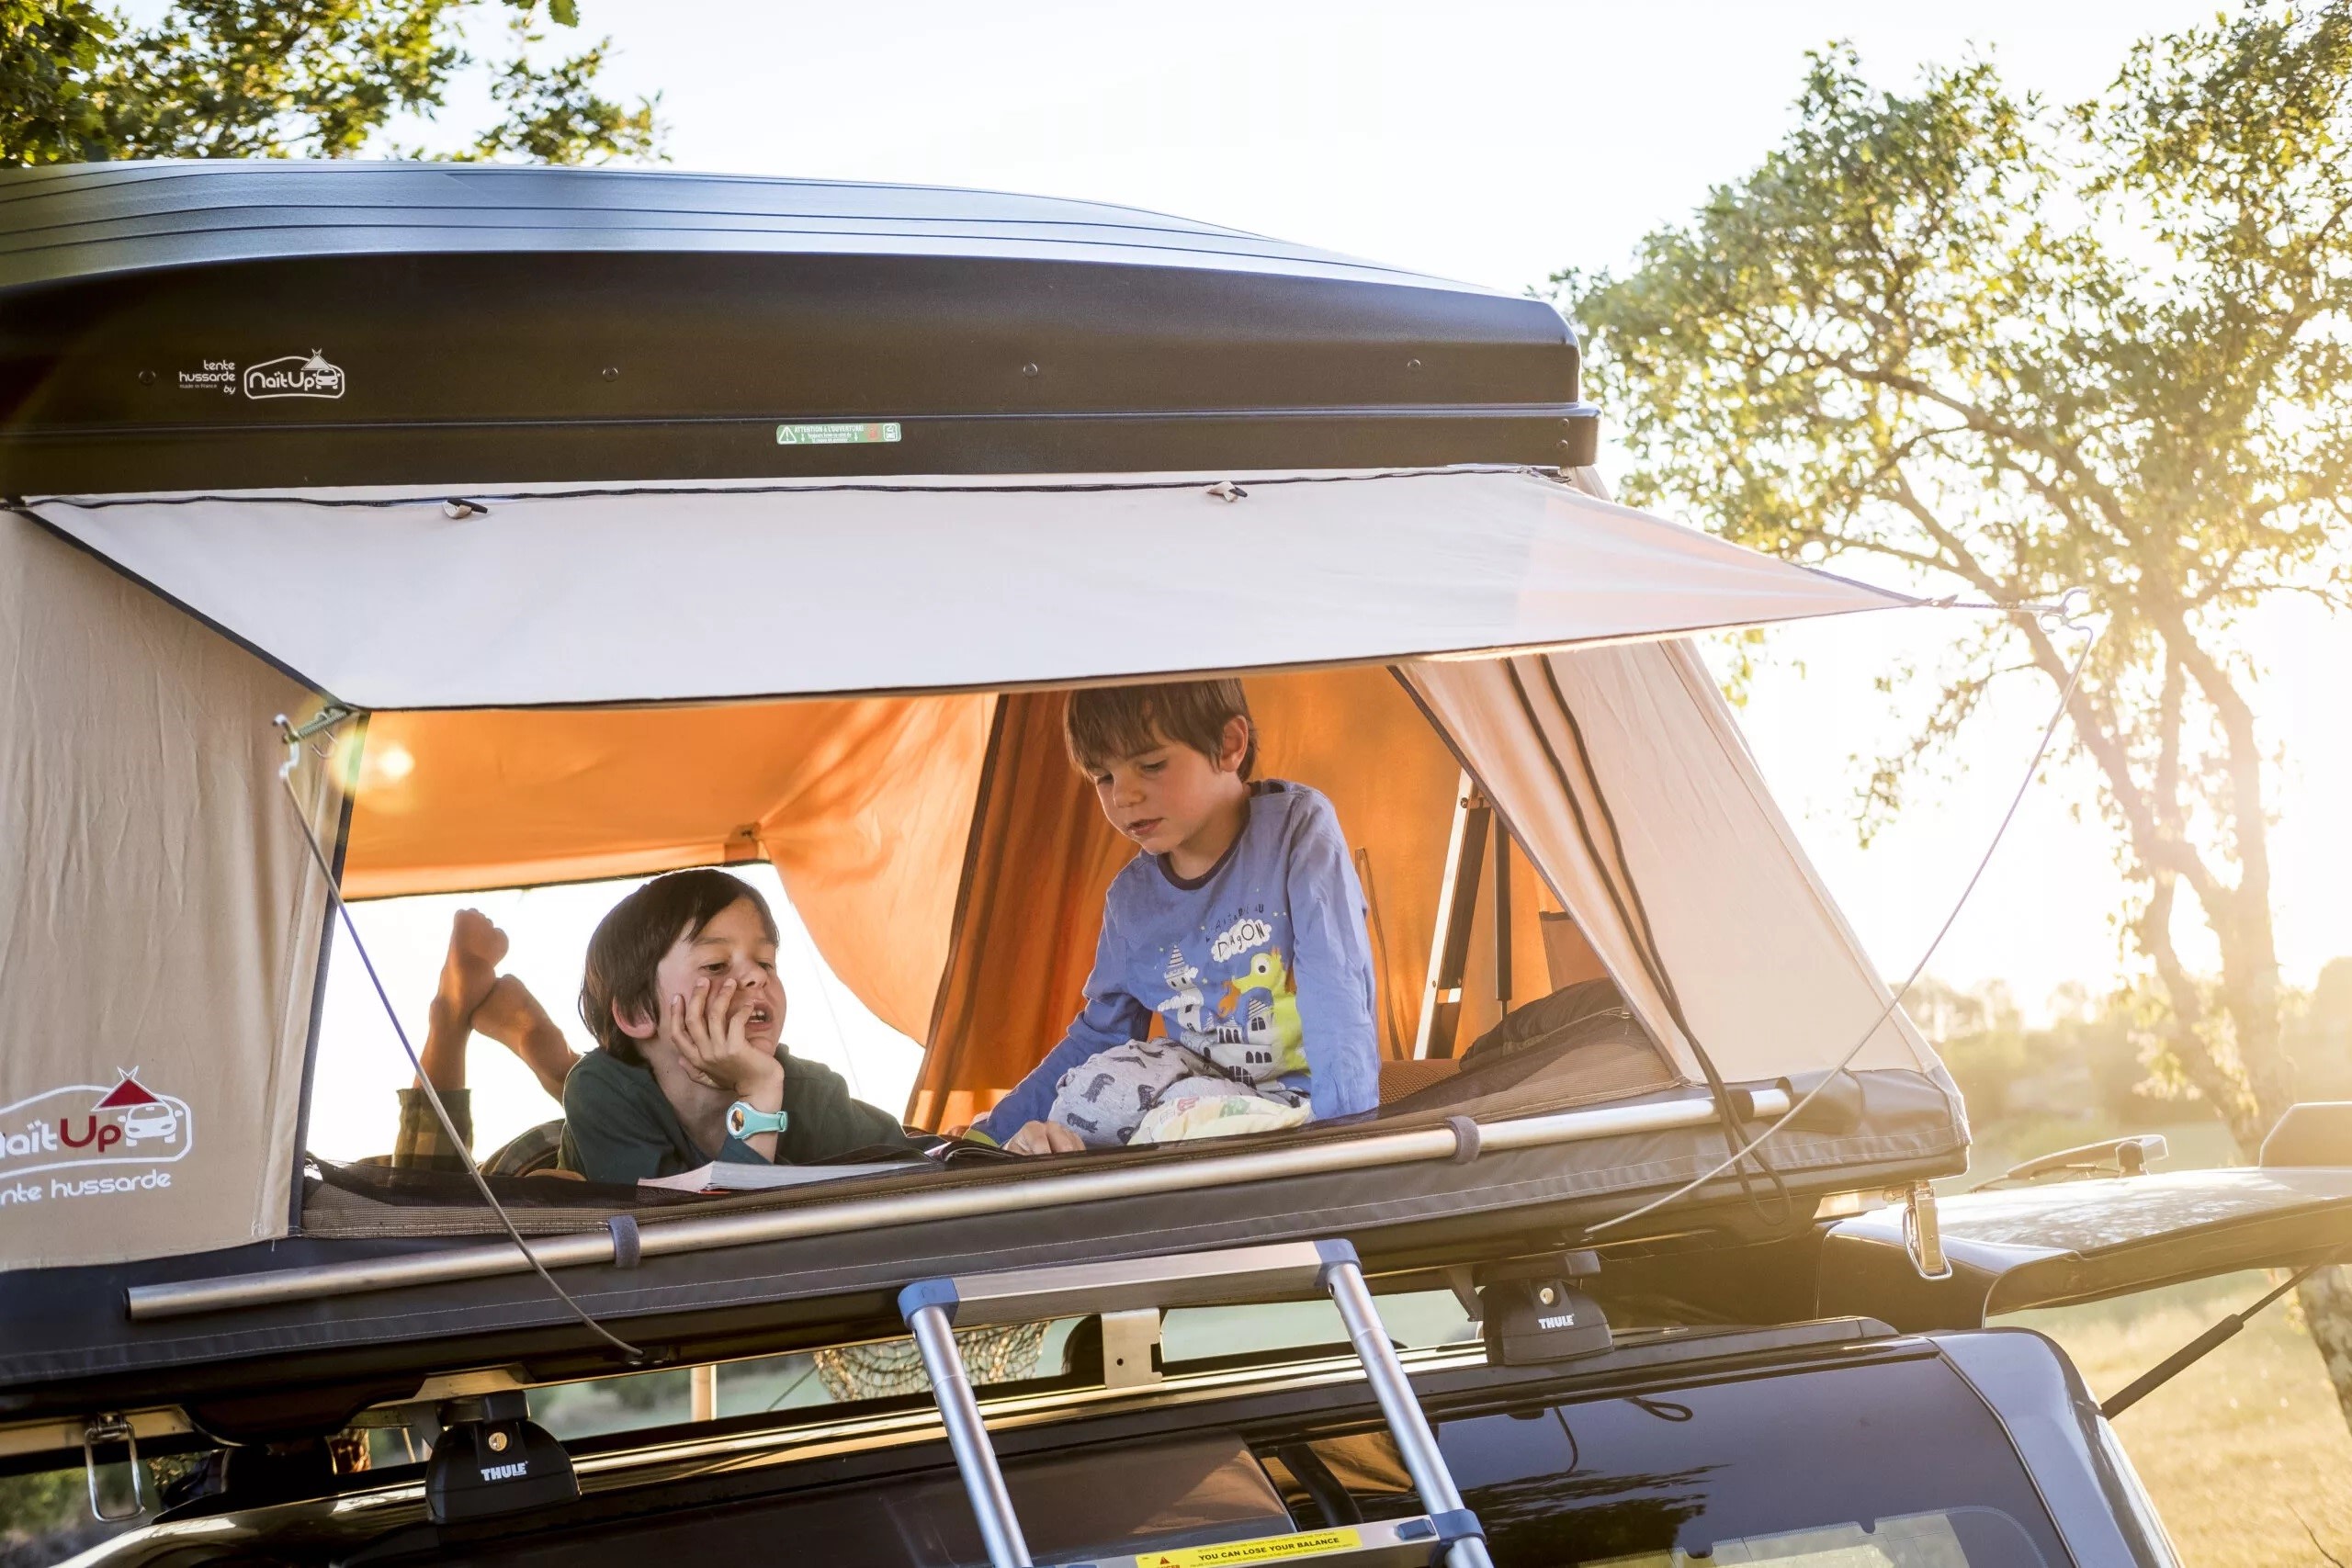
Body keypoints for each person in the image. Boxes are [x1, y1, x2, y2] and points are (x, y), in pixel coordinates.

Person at [967, 679, 1380, 1155]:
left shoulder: (1296, 831)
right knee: (1094, 1087)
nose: (1123, 796)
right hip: (1194, 1091)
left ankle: (1150, 1160)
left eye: (1151, 765)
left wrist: (1350, 1138)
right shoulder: (1131, 902)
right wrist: (990, 1138)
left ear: (1229, 746)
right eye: (1104, 777)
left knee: (1184, 1108)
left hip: (1299, 1102)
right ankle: (1069, 1169)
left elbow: (1336, 983)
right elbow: (1100, 1035)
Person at [560, 869, 925, 1181]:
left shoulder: (812, 1093)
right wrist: (759, 1097)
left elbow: (919, 1178)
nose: (755, 976)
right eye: (716, 965)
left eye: (766, 962)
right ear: (639, 1012)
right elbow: (698, 1244)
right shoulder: (600, 1092)